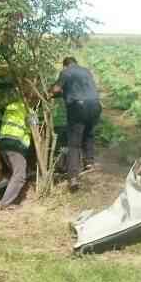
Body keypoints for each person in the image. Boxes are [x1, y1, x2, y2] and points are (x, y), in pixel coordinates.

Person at [51, 56, 102, 191]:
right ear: (76, 63)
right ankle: (89, 162)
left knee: (74, 143)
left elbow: (56, 89)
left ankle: (73, 177)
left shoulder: (66, 72)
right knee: (89, 133)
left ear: (65, 65)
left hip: (79, 107)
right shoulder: (86, 71)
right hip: (95, 105)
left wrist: (51, 93)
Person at [0, 94, 33, 210]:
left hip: (4, 143)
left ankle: (9, 198)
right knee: (20, 175)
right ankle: (6, 204)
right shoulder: (28, 110)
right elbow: (34, 126)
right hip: (16, 145)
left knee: (15, 173)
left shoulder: (10, 107)